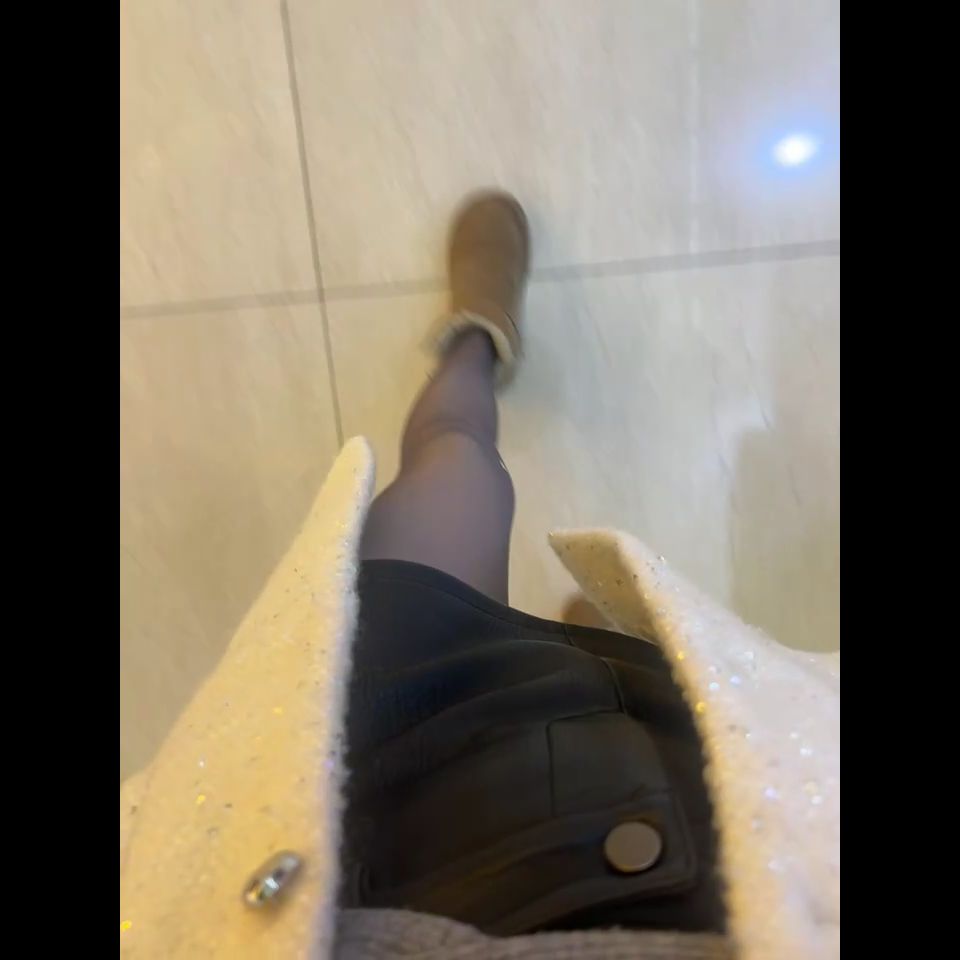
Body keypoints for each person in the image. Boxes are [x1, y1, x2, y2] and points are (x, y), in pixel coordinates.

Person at [120, 193, 839, 960]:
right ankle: (602, 650)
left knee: (451, 456)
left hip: (352, 823)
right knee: (691, 689)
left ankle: (474, 338)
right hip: (749, 850)